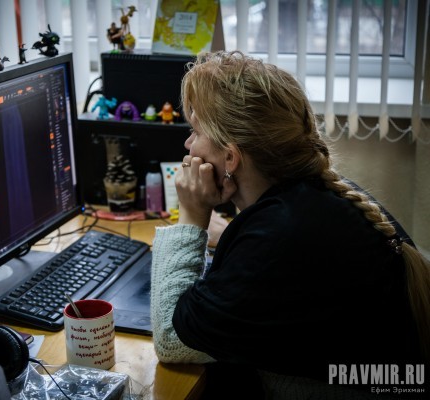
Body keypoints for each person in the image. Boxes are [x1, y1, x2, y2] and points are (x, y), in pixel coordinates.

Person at [150, 50, 430, 399]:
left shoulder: (279, 238)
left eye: (195, 131)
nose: (188, 144)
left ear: (231, 157)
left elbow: (171, 339)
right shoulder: (308, 202)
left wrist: (192, 215)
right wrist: (228, 236)